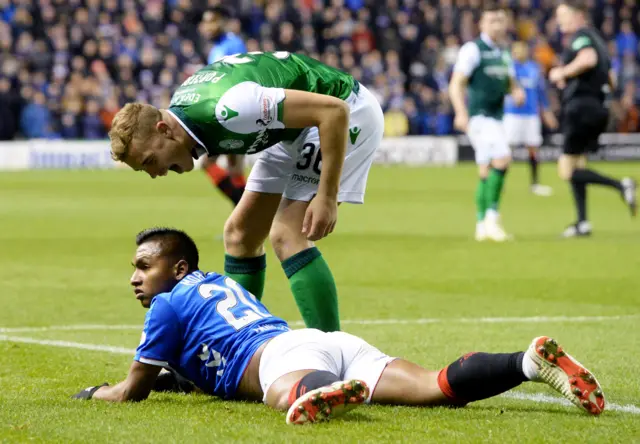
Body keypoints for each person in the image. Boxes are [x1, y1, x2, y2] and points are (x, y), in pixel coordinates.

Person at [72, 228, 606, 424]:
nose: (136, 280)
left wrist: (95, 392)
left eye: (144, 267)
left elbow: (130, 394)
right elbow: (193, 365)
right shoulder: (214, 285)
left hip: (283, 362)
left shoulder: (168, 305)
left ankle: (324, 393)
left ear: (178, 268)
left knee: (284, 397)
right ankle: (527, 361)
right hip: (319, 340)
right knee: (435, 387)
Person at [107, 51, 385, 332]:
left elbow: (333, 111)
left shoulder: (228, 108)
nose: (156, 174)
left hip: (347, 112)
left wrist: (326, 195)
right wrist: (237, 167)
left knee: (288, 235)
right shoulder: (187, 111)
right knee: (240, 235)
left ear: (164, 129)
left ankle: (334, 350)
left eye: (150, 162)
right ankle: (240, 345)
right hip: (291, 130)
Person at [549, 0, 636, 238]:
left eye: (562, 15)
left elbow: (588, 60)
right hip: (597, 108)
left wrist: (562, 73)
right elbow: (611, 79)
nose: (559, 21)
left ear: (578, 16)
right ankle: (582, 223)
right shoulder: (599, 39)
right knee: (578, 166)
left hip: (580, 108)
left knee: (566, 171)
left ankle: (622, 185)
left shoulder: (581, 37)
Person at [449, 3, 526, 242]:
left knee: (485, 169)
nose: (497, 25)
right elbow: (456, 83)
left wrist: (517, 91)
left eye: (500, 20)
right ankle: (492, 219)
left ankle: (482, 225)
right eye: (491, 20)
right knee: (503, 159)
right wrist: (460, 112)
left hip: (498, 116)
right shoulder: (473, 50)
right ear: (481, 24)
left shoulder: (504, 52)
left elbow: (510, 80)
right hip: (480, 117)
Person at [199, 6, 248, 207]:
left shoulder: (233, 44)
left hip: (234, 112)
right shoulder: (215, 48)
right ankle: (246, 218)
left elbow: (241, 74)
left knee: (209, 163)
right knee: (234, 168)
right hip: (225, 112)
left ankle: (244, 215)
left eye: (212, 21)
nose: (207, 27)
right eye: (205, 22)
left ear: (222, 22)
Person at [504, 41, 558, 197]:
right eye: (517, 50)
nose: (519, 52)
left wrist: (547, 112)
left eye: (522, 49)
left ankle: (535, 184)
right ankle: (500, 182)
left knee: (533, 148)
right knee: (507, 149)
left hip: (531, 115)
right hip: (512, 114)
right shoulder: (510, 68)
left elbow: (541, 92)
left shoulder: (534, 69)